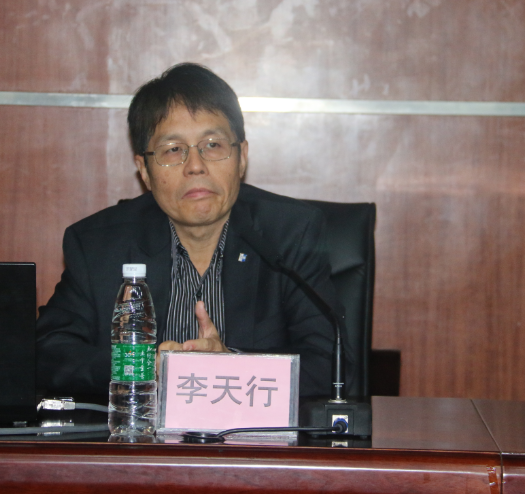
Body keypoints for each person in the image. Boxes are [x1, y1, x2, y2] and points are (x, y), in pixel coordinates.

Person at [36, 63, 348, 399]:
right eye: (173, 150)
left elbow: (329, 366)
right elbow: (48, 354)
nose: (195, 166)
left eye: (212, 145)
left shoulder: (289, 234)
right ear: (144, 170)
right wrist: (142, 368)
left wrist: (230, 367)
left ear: (241, 157)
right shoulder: (99, 245)